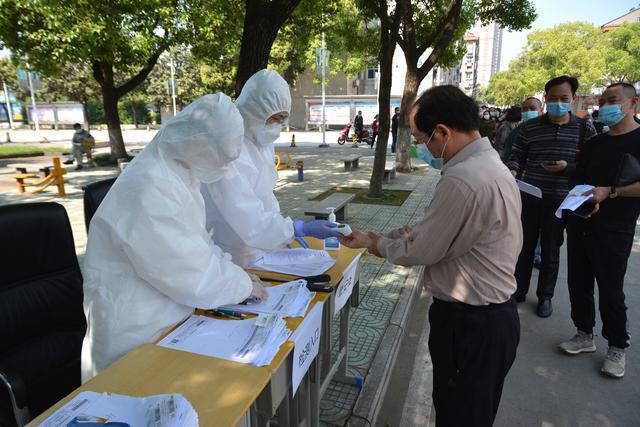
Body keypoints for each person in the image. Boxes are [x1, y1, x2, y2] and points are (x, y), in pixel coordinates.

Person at [341, 85, 522, 426]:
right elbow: (435, 229)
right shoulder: (489, 162)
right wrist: (379, 236)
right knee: (473, 412)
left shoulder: (464, 179)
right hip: (491, 318)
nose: (424, 149)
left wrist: (373, 244)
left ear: (442, 132)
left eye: (423, 140)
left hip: (471, 324)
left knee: (459, 414)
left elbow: (421, 247)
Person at [81, 94, 269, 381]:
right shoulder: (151, 188)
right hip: (136, 333)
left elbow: (199, 244)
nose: (226, 168)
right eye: (222, 158)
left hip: (167, 322)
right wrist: (242, 286)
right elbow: (190, 273)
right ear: (200, 146)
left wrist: (236, 274)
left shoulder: (178, 172)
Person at [201, 69, 340, 267]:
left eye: (283, 119)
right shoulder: (228, 146)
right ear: (253, 110)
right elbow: (245, 213)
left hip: (256, 248)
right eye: (274, 118)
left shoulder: (261, 140)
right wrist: (295, 229)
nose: (277, 126)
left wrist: (283, 232)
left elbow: (265, 197)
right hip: (224, 249)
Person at [560, 82, 640, 378]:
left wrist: (612, 192)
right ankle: (584, 334)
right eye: (603, 100)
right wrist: (577, 198)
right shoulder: (595, 142)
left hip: (616, 229)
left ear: (634, 103)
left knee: (610, 289)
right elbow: (579, 179)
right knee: (578, 282)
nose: (606, 106)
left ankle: (617, 346)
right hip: (582, 222)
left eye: (613, 100)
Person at [507, 75, 596, 318]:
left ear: (573, 99)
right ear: (545, 99)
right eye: (553, 98)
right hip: (530, 195)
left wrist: (568, 167)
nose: (558, 102)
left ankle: (545, 295)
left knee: (551, 250)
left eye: (563, 98)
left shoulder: (584, 128)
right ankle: (518, 290)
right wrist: (513, 169)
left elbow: (590, 165)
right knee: (523, 247)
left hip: (560, 201)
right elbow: (517, 155)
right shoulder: (529, 127)